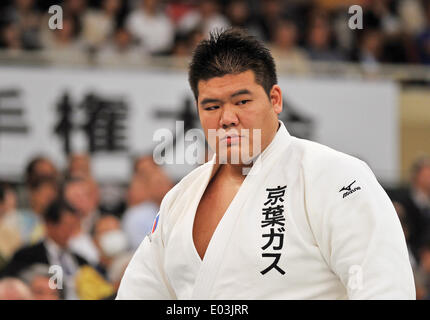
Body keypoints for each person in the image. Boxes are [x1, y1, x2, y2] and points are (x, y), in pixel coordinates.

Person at [116, 28, 415, 299]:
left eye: (242, 101)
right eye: (212, 106)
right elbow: (139, 292)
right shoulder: (178, 200)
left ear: (275, 99)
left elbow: (385, 288)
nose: (227, 118)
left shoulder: (336, 177)